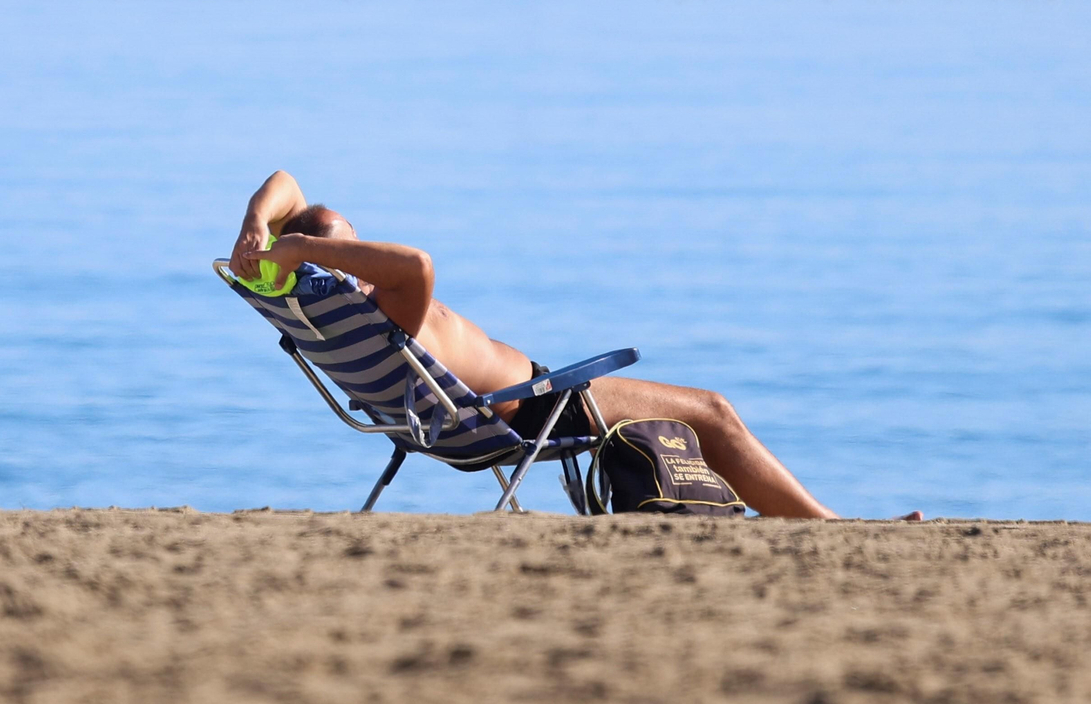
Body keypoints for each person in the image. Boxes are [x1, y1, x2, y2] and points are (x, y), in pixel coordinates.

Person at [230, 171, 920, 521]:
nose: (361, 249)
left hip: (450, 421)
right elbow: (416, 262)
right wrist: (313, 244)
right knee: (713, 410)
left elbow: (286, 179)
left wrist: (263, 224)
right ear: (334, 253)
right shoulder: (393, 305)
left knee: (705, 412)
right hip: (530, 408)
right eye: (351, 241)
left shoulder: (313, 308)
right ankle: (834, 525)